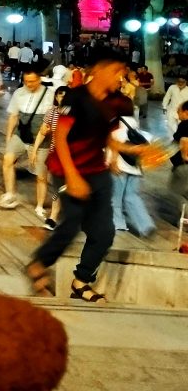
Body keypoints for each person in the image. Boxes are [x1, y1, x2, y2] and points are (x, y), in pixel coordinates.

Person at [27, 54, 161, 302]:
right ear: (99, 70)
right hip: (67, 168)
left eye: (123, 72)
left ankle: (81, 281)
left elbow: (108, 138)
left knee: (104, 233)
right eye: (116, 71)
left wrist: (136, 151)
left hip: (97, 172)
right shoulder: (75, 97)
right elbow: (60, 137)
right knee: (72, 221)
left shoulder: (117, 102)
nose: (121, 77)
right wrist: (72, 177)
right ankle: (38, 264)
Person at [0, 71, 53, 212]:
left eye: (32, 81)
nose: (29, 84)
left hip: (40, 139)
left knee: (41, 175)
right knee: (7, 160)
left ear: (39, 79)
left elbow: (54, 119)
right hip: (21, 134)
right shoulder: (19, 93)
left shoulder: (49, 95)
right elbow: (13, 116)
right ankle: (10, 194)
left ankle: (40, 206)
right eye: (26, 81)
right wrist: (8, 137)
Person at [109, 117, 156, 238]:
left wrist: (112, 161)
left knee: (116, 197)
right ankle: (145, 225)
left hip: (120, 167)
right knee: (132, 196)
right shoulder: (137, 127)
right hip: (135, 168)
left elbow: (114, 144)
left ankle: (118, 223)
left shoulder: (115, 126)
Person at [30, 86, 68, 231]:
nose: (62, 98)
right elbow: (42, 132)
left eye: (65, 95)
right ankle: (53, 217)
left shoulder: (76, 113)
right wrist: (35, 150)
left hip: (71, 155)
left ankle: (58, 216)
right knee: (58, 186)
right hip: (55, 155)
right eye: (60, 95)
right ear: (56, 97)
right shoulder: (52, 112)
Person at [169, 101, 188, 201]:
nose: (177, 113)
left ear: (186, 112)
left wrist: (185, 158)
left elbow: (184, 140)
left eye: (179, 111)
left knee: (178, 193)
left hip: (184, 165)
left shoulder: (185, 124)